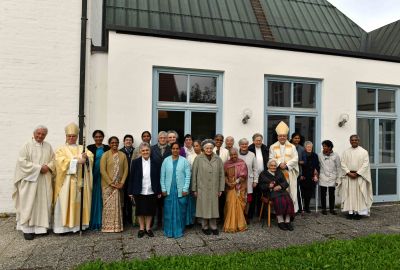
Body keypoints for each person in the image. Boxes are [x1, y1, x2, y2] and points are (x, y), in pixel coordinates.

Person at [13, 125, 55, 240]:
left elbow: (53, 159)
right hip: (29, 181)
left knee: (43, 203)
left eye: (43, 134)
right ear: (34, 134)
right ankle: (27, 229)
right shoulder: (26, 145)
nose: (40, 136)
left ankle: (41, 228)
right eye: (38, 134)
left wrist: (48, 166)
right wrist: (38, 168)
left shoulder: (48, 146)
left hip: (44, 180)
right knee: (29, 204)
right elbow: (22, 162)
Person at [53, 123, 93, 234]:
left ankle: (78, 226)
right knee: (64, 202)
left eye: (73, 136)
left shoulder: (82, 148)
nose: (71, 138)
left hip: (80, 183)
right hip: (66, 183)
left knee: (79, 202)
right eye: (69, 136)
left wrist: (87, 158)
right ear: (66, 136)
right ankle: (62, 228)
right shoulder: (60, 149)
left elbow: (90, 157)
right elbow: (59, 162)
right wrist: (76, 161)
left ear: (76, 137)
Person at [128, 143, 162, 238]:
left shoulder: (156, 162)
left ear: (150, 151)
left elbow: (158, 178)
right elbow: (131, 177)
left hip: (151, 190)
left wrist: (158, 191)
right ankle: (141, 228)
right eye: (143, 150)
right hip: (139, 190)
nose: (145, 152)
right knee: (140, 211)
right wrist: (130, 192)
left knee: (150, 210)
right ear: (140, 152)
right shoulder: (135, 162)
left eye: (147, 150)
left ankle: (148, 228)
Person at [192, 139, 225, 235]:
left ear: (213, 148)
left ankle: (214, 227)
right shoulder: (198, 158)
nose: (209, 150)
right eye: (207, 148)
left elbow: (221, 175)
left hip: (214, 187)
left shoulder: (218, 159)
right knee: (204, 207)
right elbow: (194, 174)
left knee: (214, 207)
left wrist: (220, 189)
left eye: (211, 148)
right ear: (203, 148)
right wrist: (194, 189)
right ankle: (205, 226)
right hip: (202, 188)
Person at [160, 142, 191, 238]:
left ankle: (179, 230)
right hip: (169, 190)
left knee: (180, 211)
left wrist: (185, 188)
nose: (175, 150)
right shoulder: (166, 160)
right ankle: (168, 231)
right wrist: (163, 189)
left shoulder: (184, 161)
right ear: (171, 149)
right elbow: (162, 176)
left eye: (177, 148)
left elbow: (188, 176)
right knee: (168, 211)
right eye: (173, 148)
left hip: (181, 190)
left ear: (179, 150)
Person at [339, 135, 373, 220]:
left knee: (360, 195)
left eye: (355, 140)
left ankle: (359, 213)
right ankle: (350, 212)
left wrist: (357, 173)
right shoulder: (346, 152)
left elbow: (365, 164)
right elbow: (342, 164)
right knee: (349, 195)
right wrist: (348, 172)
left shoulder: (364, 152)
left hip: (360, 177)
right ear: (350, 141)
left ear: (358, 141)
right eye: (352, 140)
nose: (354, 141)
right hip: (349, 177)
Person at [269, 121, 299, 213]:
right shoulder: (273, 147)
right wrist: (278, 164)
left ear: (286, 136)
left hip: (289, 173)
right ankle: (278, 212)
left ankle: (290, 212)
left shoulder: (292, 146)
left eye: (284, 136)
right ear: (278, 136)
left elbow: (296, 158)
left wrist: (286, 165)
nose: (282, 137)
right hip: (277, 174)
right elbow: (271, 158)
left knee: (290, 192)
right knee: (278, 193)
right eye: (280, 136)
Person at [100, 136, 129, 232]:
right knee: (108, 206)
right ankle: (107, 227)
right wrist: (110, 183)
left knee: (118, 206)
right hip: (107, 185)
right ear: (109, 144)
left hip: (119, 186)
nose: (114, 144)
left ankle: (117, 227)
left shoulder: (122, 155)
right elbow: (102, 170)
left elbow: (126, 170)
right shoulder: (105, 155)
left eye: (116, 142)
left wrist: (122, 183)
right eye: (112, 142)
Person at [259, 160, 295, 231]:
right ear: (268, 166)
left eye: (275, 166)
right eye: (271, 166)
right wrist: (269, 186)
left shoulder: (279, 172)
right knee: (279, 200)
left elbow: (286, 183)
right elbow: (261, 186)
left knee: (288, 199)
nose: (273, 167)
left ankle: (287, 221)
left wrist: (280, 186)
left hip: (281, 191)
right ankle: (280, 220)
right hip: (270, 193)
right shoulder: (263, 174)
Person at [87, 130, 110, 230]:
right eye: (96, 137)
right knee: (93, 197)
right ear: (93, 138)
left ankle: (103, 221)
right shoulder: (89, 148)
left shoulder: (107, 148)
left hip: (104, 176)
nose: (98, 138)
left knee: (103, 197)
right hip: (93, 176)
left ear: (103, 137)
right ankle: (94, 221)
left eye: (100, 136)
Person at [223, 148, 248, 233]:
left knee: (238, 205)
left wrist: (235, 182)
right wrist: (227, 183)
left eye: (235, 154)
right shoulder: (226, 164)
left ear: (237, 154)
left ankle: (238, 225)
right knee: (230, 204)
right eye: (232, 155)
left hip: (239, 187)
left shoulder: (242, 163)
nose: (233, 156)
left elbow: (243, 176)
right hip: (229, 187)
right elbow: (224, 175)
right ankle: (230, 225)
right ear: (229, 155)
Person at [151, 131, 172, 229]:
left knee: (165, 200)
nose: (163, 139)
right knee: (155, 201)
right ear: (158, 139)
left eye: (164, 138)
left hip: (168, 178)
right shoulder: (152, 148)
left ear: (167, 139)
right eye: (161, 138)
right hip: (155, 177)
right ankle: (155, 222)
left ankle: (164, 222)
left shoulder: (170, 149)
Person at [248, 133, 269, 220]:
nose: (258, 142)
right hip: (253, 175)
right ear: (253, 141)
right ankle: (251, 214)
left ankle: (261, 214)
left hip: (263, 175)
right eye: (257, 140)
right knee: (253, 195)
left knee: (262, 194)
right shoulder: (250, 148)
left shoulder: (265, 148)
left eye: (260, 140)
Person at [237, 138, 258, 222]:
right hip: (239, 181)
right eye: (242, 144)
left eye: (246, 144)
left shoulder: (252, 154)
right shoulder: (236, 154)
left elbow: (255, 168)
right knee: (239, 198)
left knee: (248, 200)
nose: (244, 146)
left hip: (249, 181)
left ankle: (245, 215)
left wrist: (255, 180)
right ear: (239, 145)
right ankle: (239, 216)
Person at [318, 140, 341, 215]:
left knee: (331, 194)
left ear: (330, 147)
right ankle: (324, 209)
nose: (324, 148)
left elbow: (338, 168)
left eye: (325, 146)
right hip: (323, 176)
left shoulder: (336, 155)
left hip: (332, 177)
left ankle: (332, 209)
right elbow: (318, 165)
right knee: (323, 194)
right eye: (323, 146)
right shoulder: (320, 155)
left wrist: (338, 179)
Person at [299, 141, 320, 213]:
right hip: (304, 176)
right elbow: (300, 166)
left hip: (311, 176)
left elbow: (317, 165)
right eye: (308, 146)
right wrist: (301, 175)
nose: (309, 148)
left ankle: (307, 207)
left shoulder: (315, 155)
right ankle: (301, 207)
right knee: (303, 193)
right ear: (305, 147)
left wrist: (316, 173)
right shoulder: (302, 155)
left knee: (309, 193)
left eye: (310, 147)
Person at [186, 139, 202, 226]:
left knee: (200, 200)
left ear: (201, 146)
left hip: (203, 181)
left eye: (197, 146)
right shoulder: (190, 157)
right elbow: (188, 170)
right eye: (194, 146)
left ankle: (200, 219)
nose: (195, 147)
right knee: (192, 200)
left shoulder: (205, 155)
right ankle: (192, 219)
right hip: (193, 180)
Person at [119, 134, 135, 226]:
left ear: (132, 142)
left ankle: (130, 219)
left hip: (132, 179)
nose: (128, 141)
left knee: (131, 199)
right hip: (123, 179)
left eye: (130, 140)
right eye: (126, 140)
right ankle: (123, 219)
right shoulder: (120, 152)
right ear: (124, 142)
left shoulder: (135, 151)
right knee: (123, 199)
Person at [213, 134, 229, 222]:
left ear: (222, 142)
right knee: (213, 198)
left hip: (222, 177)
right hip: (212, 178)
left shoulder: (226, 151)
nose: (218, 142)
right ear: (214, 140)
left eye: (220, 140)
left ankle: (221, 218)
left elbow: (228, 164)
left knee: (222, 198)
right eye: (217, 140)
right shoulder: (210, 149)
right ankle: (214, 217)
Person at [290, 132, 305, 213]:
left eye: (298, 138)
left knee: (297, 191)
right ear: (292, 138)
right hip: (288, 171)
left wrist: (298, 162)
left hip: (297, 171)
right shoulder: (288, 146)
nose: (297, 140)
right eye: (295, 138)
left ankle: (298, 208)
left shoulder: (302, 149)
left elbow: (304, 161)